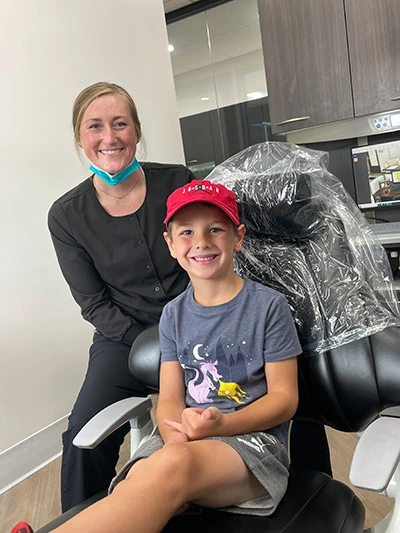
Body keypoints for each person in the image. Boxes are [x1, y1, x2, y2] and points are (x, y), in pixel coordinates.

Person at [40, 179, 301, 533]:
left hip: (250, 445)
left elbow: (285, 399)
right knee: (136, 486)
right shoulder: (174, 316)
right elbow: (170, 399)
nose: (201, 242)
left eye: (215, 230)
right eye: (187, 232)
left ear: (238, 237)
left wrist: (222, 426)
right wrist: (174, 433)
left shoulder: (269, 307)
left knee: (171, 467)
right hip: (181, 440)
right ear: (171, 245)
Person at [47, 82, 195, 512]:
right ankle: (84, 520)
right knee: (81, 435)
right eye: (95, 126)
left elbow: (213, 252)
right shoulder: (66, 215)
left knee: (287, 387)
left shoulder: (179, 181)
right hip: (124, 338)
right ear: (80, 138)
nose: (109, 138)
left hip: (198, 322)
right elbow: (93, 304)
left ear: (137, 130)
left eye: (120, 124)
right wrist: (155, 347)